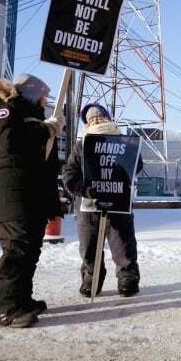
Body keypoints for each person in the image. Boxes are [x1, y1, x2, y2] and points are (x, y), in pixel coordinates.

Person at [0, 74, 64, 328]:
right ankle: (8, 309)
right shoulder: (3, 110)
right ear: (32, 94)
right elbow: (9, 141)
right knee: (16, 251)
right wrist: (47, 128)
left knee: (30, 251)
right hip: (14, 194)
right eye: (43, 97)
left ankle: (22, 300)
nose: (45, 101)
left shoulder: (25, 115)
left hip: (32, 194)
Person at [62, 103, 142, 297]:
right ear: (87, 123)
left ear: (107, 118)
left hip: (118, 205)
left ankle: (128, 279)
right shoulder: (82, 146)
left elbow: (137, 166)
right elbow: (69, 174)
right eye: (91, 119)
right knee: (89, 247)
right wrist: (84, 189)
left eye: (99, 117)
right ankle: (92, 279)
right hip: (89, 206)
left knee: (123, 246)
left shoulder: (124, 142)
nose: (96, 120)